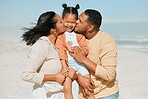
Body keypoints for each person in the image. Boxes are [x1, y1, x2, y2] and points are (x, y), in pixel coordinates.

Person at [21, 11, 77, 99]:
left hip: (59, 94)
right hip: (45, 94)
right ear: (53, 29)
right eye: (61, 21)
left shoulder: (59, 45)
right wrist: (54, 77)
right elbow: (27, 75)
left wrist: (73, 75)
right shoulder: (41, 45)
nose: (65, 23)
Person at [69, 9, 119, 99]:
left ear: (90, 27)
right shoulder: (77, 38)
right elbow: (71, 63)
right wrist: (79, 77)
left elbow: (109, 74)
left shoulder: (106, 41)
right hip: (83, 95)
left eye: (80, 21)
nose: (76, 22)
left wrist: (84, 59)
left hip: (105, 94)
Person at [56, 4, 95, 99]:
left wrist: (74, 49)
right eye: (67, 22)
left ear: (77, 21)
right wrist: (64, 67)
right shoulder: (61, 36)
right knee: (67, 86)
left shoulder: (80, 35)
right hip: (70, 66)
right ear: (62, 20)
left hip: (81, 65)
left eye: (73, 22)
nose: (69, 25)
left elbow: (85, 50)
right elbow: (61, 52)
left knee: (87, 86)